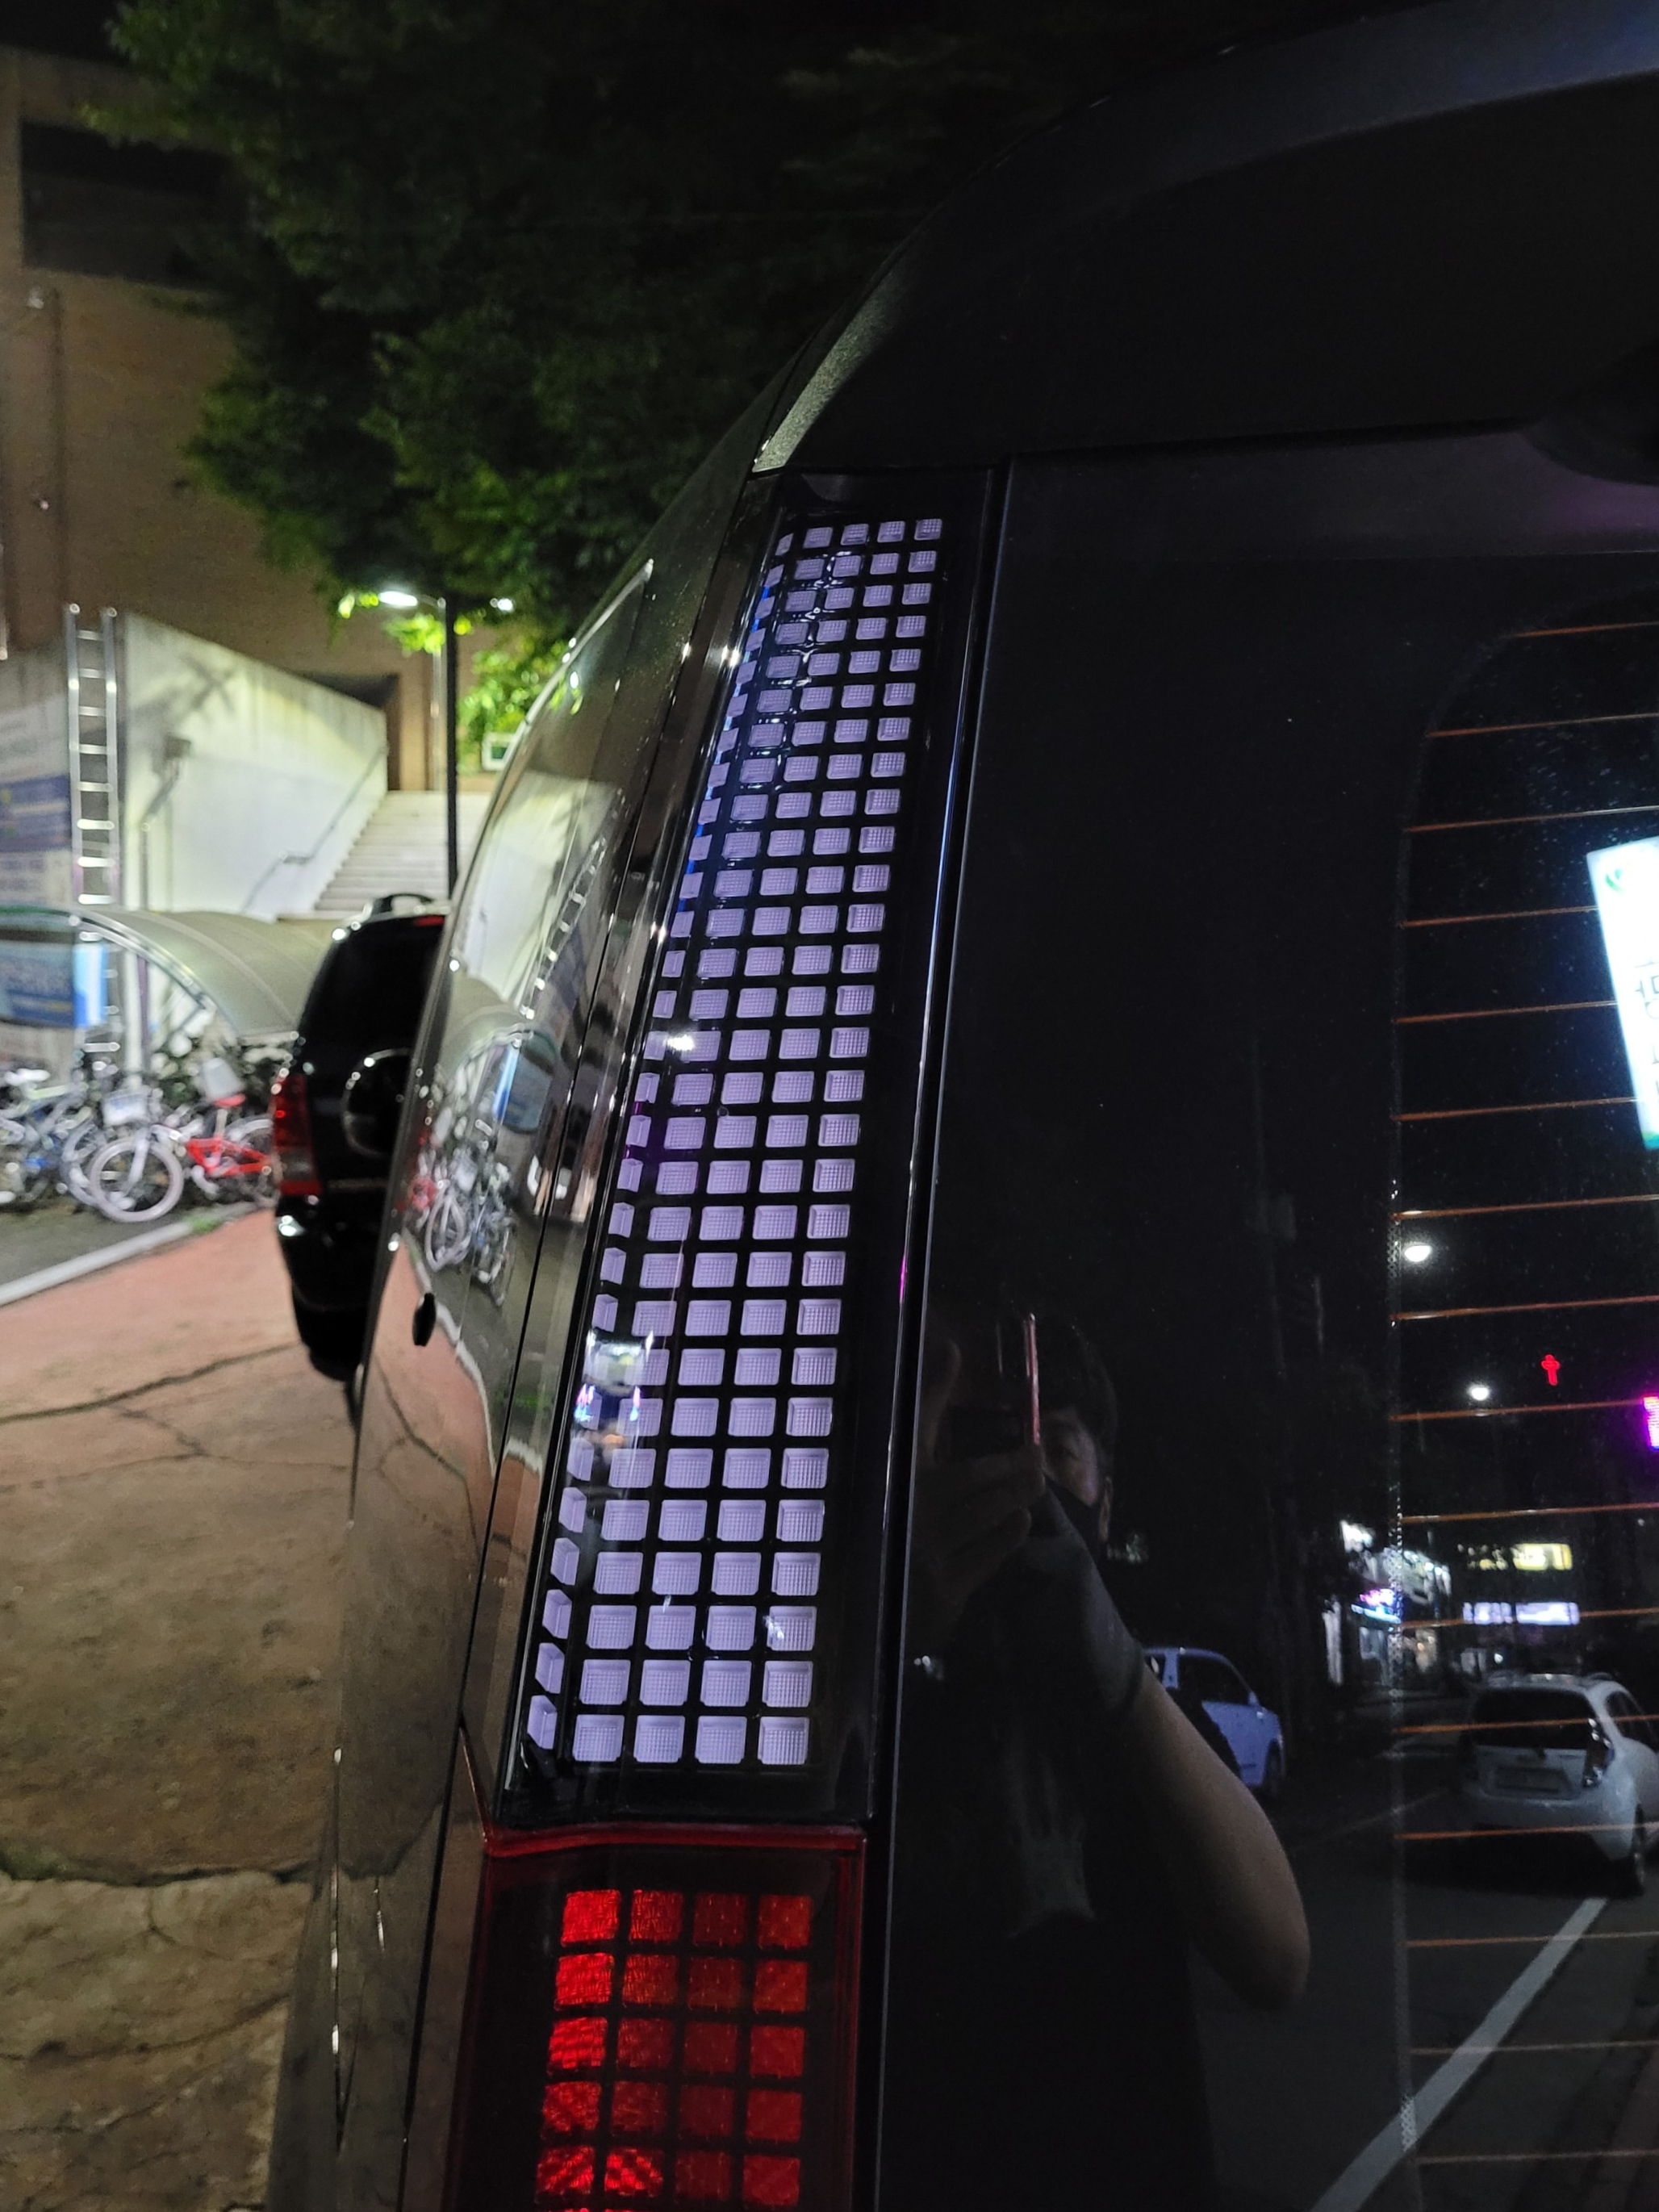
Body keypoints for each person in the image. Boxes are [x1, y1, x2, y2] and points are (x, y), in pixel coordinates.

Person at [883, 1311, 1309, 2209]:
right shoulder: (879, 1699)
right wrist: (887, 1633)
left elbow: (1276, 1957)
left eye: (1053, 1451)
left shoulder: (1139, 1714)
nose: (1020, 1482)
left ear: (1104, 1503)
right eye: (976, 1443)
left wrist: (1107, 1655)